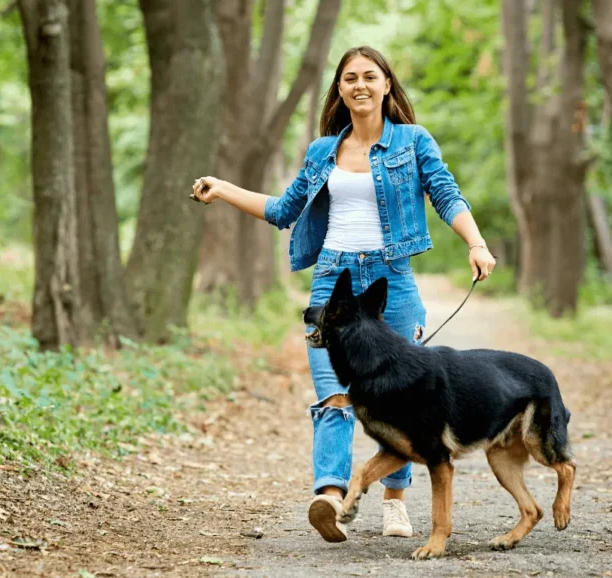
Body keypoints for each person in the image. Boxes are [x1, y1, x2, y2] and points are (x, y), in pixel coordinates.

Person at [191, 46, 495, 543]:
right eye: (349, 78)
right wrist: (223, 188)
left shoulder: (414, 142)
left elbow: (445, 193)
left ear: (387, 86)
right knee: (334, 395)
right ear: (339, 89)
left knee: (404, 401)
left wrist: (476, 243)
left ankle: (395, 502)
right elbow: (283, 211)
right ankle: (330, 497)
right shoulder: (322, 152)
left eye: (369, 77)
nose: (360, 85)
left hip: (391, 282)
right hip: (332, 282)